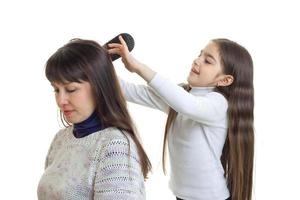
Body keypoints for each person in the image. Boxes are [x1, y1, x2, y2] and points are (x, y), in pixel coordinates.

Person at [108, 36, 254, 200]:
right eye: (200, 54)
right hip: (182, 196)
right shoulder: (180, 96)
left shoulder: (219, 105)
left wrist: (139, 68)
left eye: (208, 60)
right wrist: (99, 67)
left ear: (225, 80)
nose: (197, 60)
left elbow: (187, 105)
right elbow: (130, 91)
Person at [37, 38, 151, 200]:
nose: (61, 100)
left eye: (70, 89)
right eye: (56, 90)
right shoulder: (61, 139)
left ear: (99, 87)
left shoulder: (115, 147)